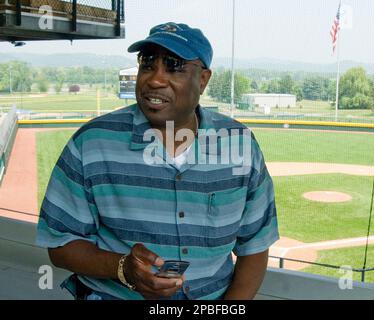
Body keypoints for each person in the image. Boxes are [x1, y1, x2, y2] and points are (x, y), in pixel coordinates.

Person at [36, 22, 279, 300]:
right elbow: (60, 244)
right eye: (148, 64)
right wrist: (123, 269)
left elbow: (255, 245)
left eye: (174, 66)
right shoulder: (91, 142)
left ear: (203, 80)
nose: (154, 79)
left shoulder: (240, 143)